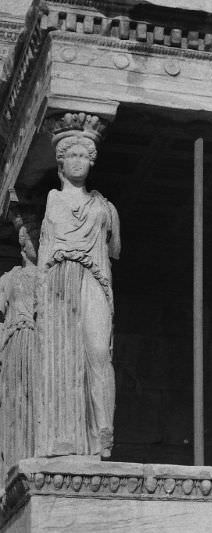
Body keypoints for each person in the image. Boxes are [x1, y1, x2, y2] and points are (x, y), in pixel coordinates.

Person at [36, 130, 120, 459]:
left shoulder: (103, 205)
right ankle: (68, 437)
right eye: (72, 155)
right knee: (63, 355)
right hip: (60, 278)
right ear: (61, 161)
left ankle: (104, 430)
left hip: (94, 276)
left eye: (84, 155)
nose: (78, 161)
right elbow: (44, 250)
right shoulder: (52, 200)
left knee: (98, 351)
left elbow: (114, 248)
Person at [0, 213, 39, 476]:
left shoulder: (49, 276)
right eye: (30, 237)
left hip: (37, 341)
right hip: (13, 342)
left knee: (36, 400)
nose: (35, 243)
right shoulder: (8, 278)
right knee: (14, 401)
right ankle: (11, 465)